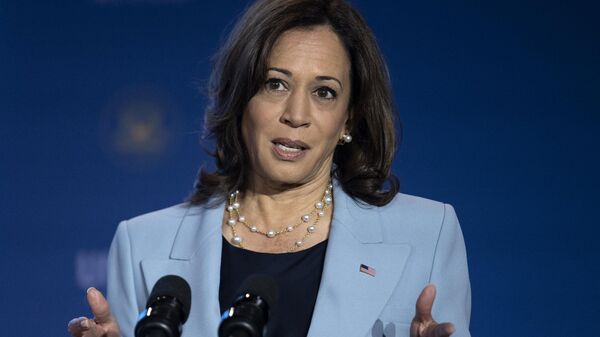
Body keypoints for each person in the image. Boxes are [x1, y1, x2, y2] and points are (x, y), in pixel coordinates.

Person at [68, 1, 471, 337]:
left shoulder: (428, 234)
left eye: (324, 92)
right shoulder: (143, 244)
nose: (297, 115)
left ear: (348, 119)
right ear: (242, 97)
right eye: (275, 84)